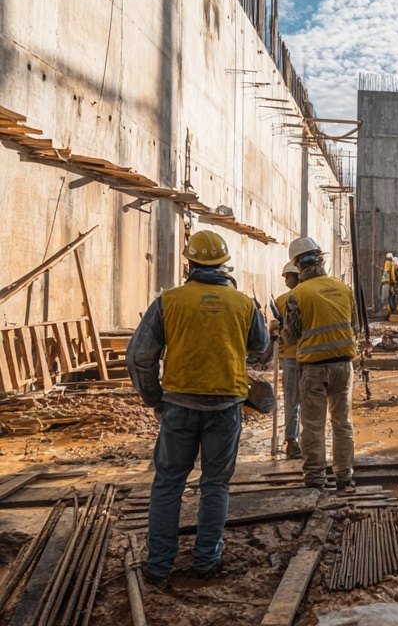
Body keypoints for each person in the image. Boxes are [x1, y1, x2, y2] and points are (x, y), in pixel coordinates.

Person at [126, 230, 270, 586]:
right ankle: (207, 561)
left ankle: (159, 565)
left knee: (168, 484)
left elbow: (139, 357)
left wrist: (153, 398)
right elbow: (261, 346)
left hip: (178, 406)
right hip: (226, 408)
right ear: (224, 265)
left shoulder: (168, 301)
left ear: (188, 263)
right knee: (216, 485)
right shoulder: (242, 303)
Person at [282, 236, 357, 490]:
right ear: (320, 258)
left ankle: (315, 479)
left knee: (313, 426)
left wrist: (276, 328)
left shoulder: (298, 294)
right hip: (344, 367)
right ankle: (345, 477)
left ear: (297, 265)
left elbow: (291, 338)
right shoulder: (344, 289)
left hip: (314, 369)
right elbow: (353, 327)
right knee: (342, 423)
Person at [272, 261, 302, 459]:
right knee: (310, 401)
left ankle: (292, 441)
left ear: (295, 276)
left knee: (292, 401)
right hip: (312, 355)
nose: (285, 281)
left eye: (287, 277)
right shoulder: (314, 295)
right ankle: (307, 443)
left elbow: (276, 327)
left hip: (292, 357)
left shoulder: (283, 300)